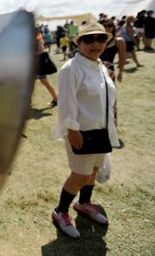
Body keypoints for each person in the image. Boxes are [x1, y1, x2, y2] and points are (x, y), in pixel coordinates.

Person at [52, 21, 119, 239]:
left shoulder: (100, 66)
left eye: (101, 39)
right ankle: (60, 211)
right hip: (81, 131)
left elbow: (107, 98)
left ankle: (84, 203)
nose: (95, 43)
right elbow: (66, 103)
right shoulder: (71, 68)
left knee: (94, 170)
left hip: (101, 130)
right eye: (88, 39)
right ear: (78, 43)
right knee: (80, 174)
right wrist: (71, 129)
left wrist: (113, 119)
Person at [35, 32, 59, 107]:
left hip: (38, 65)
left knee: (45, 82)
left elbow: (41, 50)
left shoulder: (37, 37)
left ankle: (56, 99)